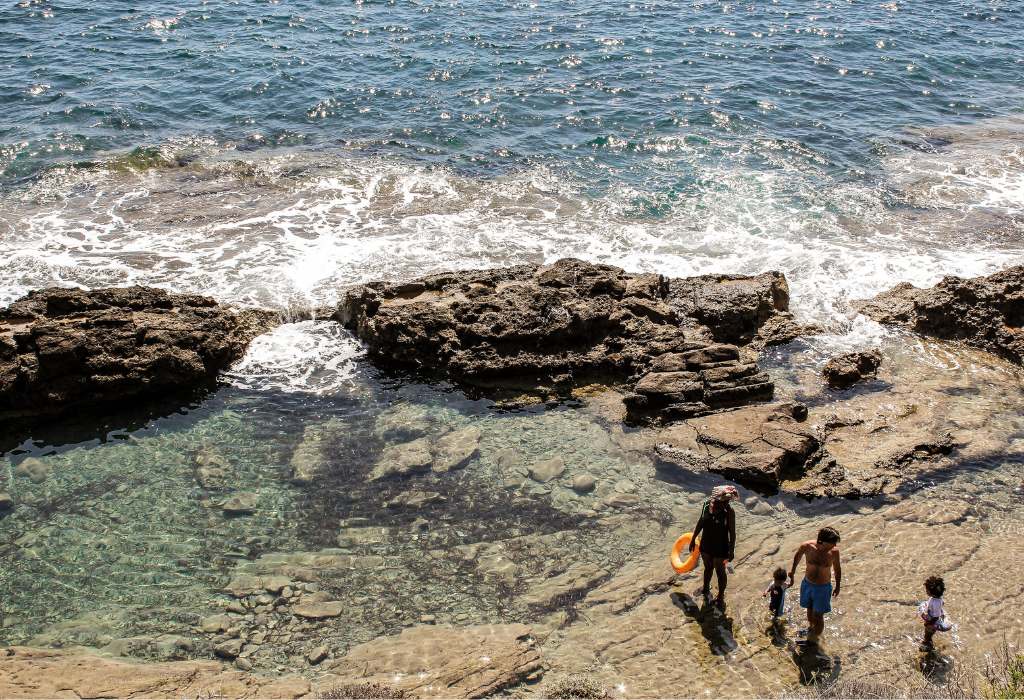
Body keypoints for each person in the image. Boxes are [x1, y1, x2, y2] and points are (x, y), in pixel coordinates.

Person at [787, 526, 841, 644]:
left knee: (818, 615)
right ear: (823, 541)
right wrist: (792, 572)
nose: (835, 545)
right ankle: (811, 629)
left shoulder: (834, 552)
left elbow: (837, 569)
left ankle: (815, 640)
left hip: (823, 587)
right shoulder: (807, 547)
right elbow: (797, 556)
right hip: (808, 584)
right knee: (809, 609)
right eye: (833, 542)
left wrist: (838, 586)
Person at [689, 484, 737, 606]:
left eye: (727, 501)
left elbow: (732, 532)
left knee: (720, 572)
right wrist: (693, 538)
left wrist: (731, 550)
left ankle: (720, 597)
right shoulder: (706, 506)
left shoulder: (729, 512)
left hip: (721, 547)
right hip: (706, 544)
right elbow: (701, 522)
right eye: (723, 501)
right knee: (708, 568)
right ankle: (705, 588)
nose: (726, 504)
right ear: (715, 499)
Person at [919, 575, 952, 651]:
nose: (926, 591)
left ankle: (927, 644)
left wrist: (929, 623)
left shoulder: (935, 602)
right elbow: (942, 603)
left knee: (928, 632)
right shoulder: (936, 598)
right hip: (932, 616)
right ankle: (927, 642)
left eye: (926, 590)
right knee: (928, 632)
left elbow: (936, 616)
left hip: (933, 620)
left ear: (931, 592)